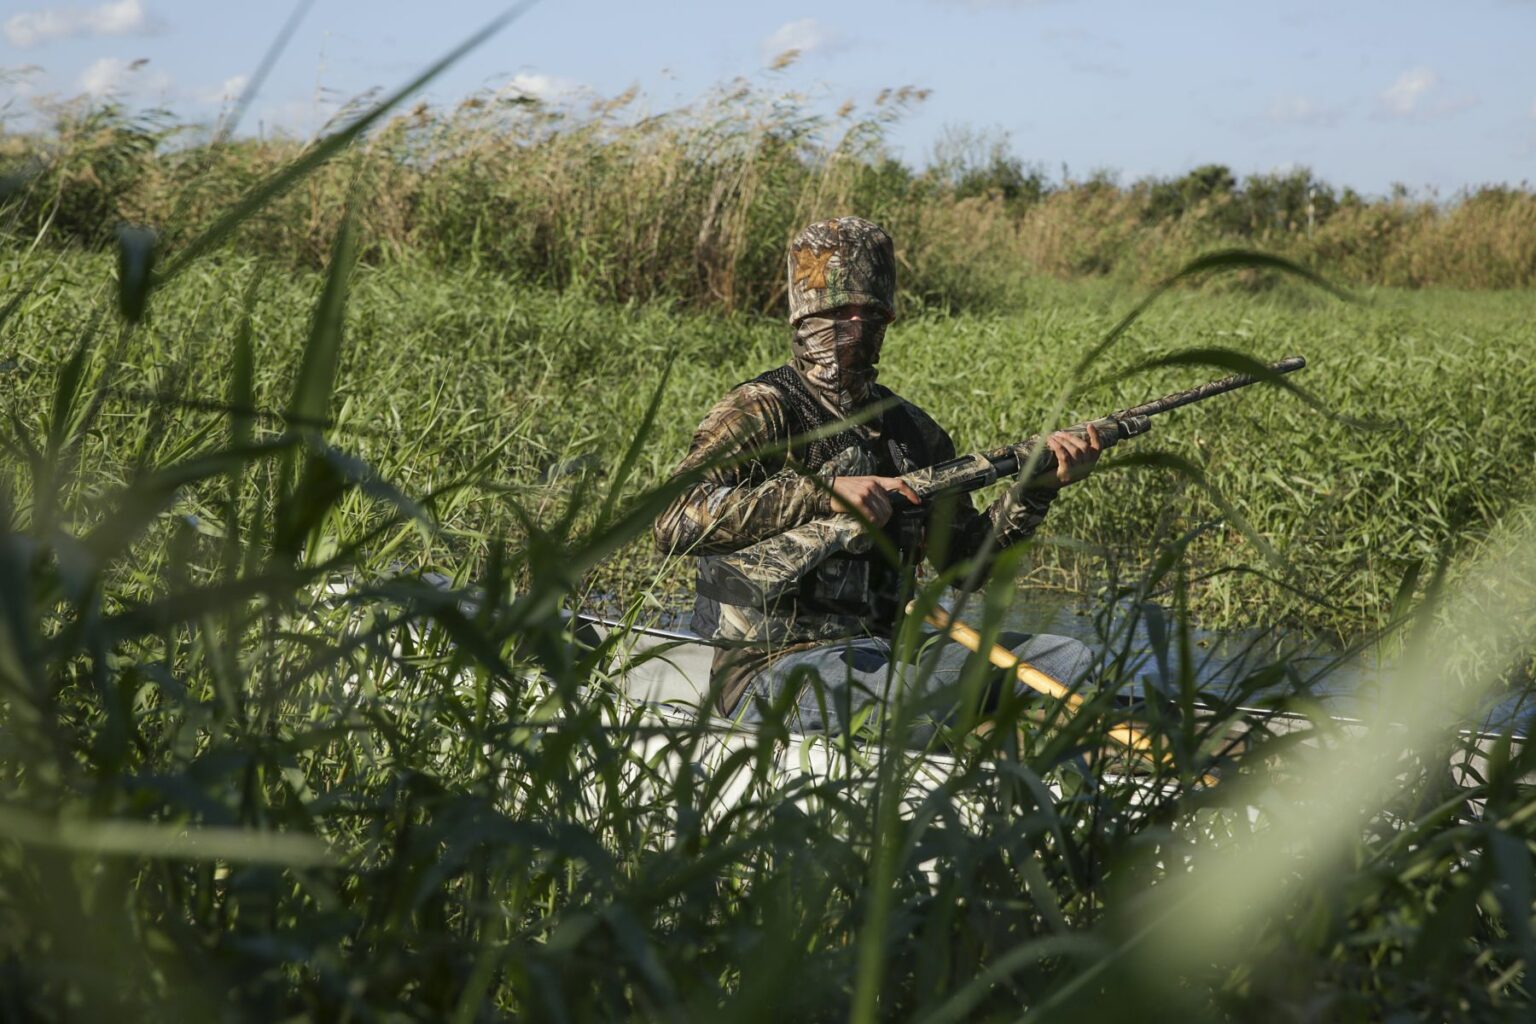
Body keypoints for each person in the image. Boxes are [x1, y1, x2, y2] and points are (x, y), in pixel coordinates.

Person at [653, 216, 1102, 740]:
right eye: (835, 312)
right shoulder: (762, 411)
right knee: (909, 697)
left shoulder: (912, 433)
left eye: (869, 312)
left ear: (887, 318)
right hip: (769, 670)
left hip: (891, 647)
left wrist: (1036, 492)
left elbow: (966, 569)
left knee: (1069, 660)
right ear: (802, 319)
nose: (853, 326)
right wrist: (820, 495)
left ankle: (1049, 797)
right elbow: (672, 519)